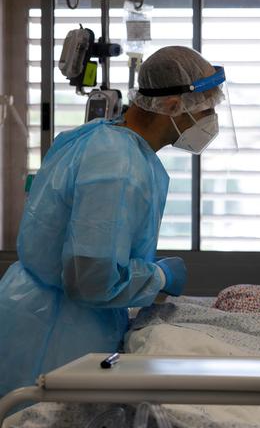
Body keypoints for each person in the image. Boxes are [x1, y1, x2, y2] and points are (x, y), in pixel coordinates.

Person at [0, 46, 226, 398]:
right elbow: (90, 278)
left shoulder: (96, 136)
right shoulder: (118, 167)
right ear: (171, 106)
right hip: (56, 332)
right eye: (206, 109)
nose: (210, 121)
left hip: (33, 312)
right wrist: (159, 276)